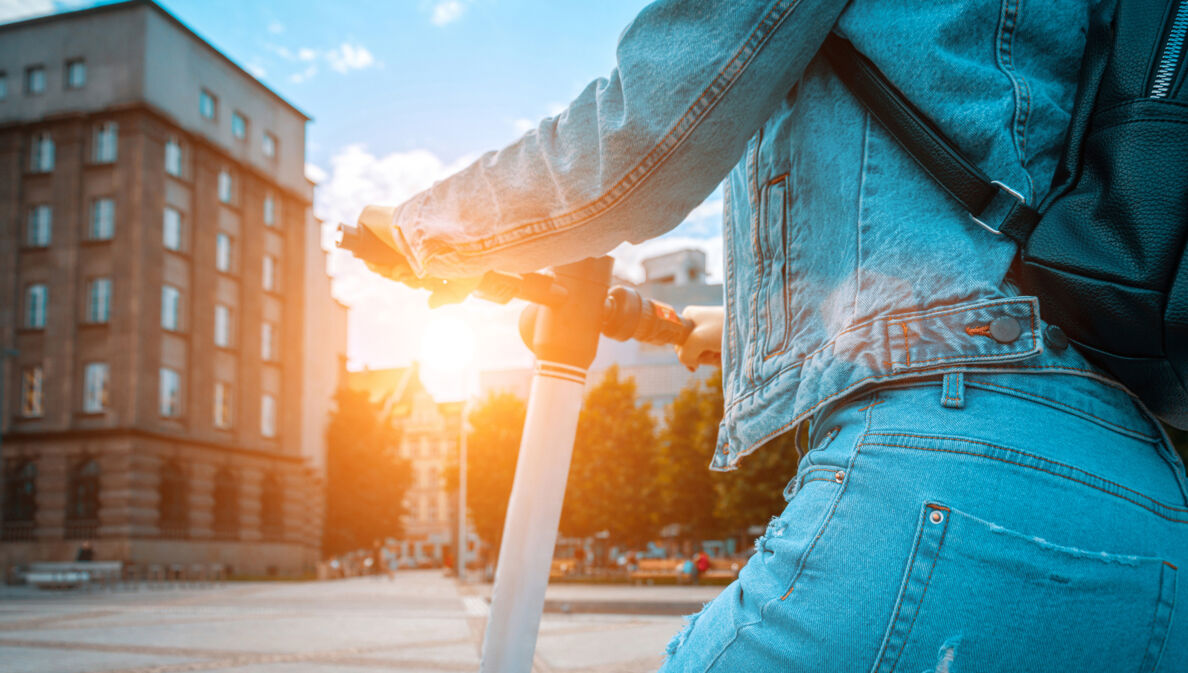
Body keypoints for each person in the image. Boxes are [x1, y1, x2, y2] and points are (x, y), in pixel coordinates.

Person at [359, 1, 1188, 669]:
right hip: (1150, 517)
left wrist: (427, 228)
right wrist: (727, 325)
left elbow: (638, 138)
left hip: (945, 482)